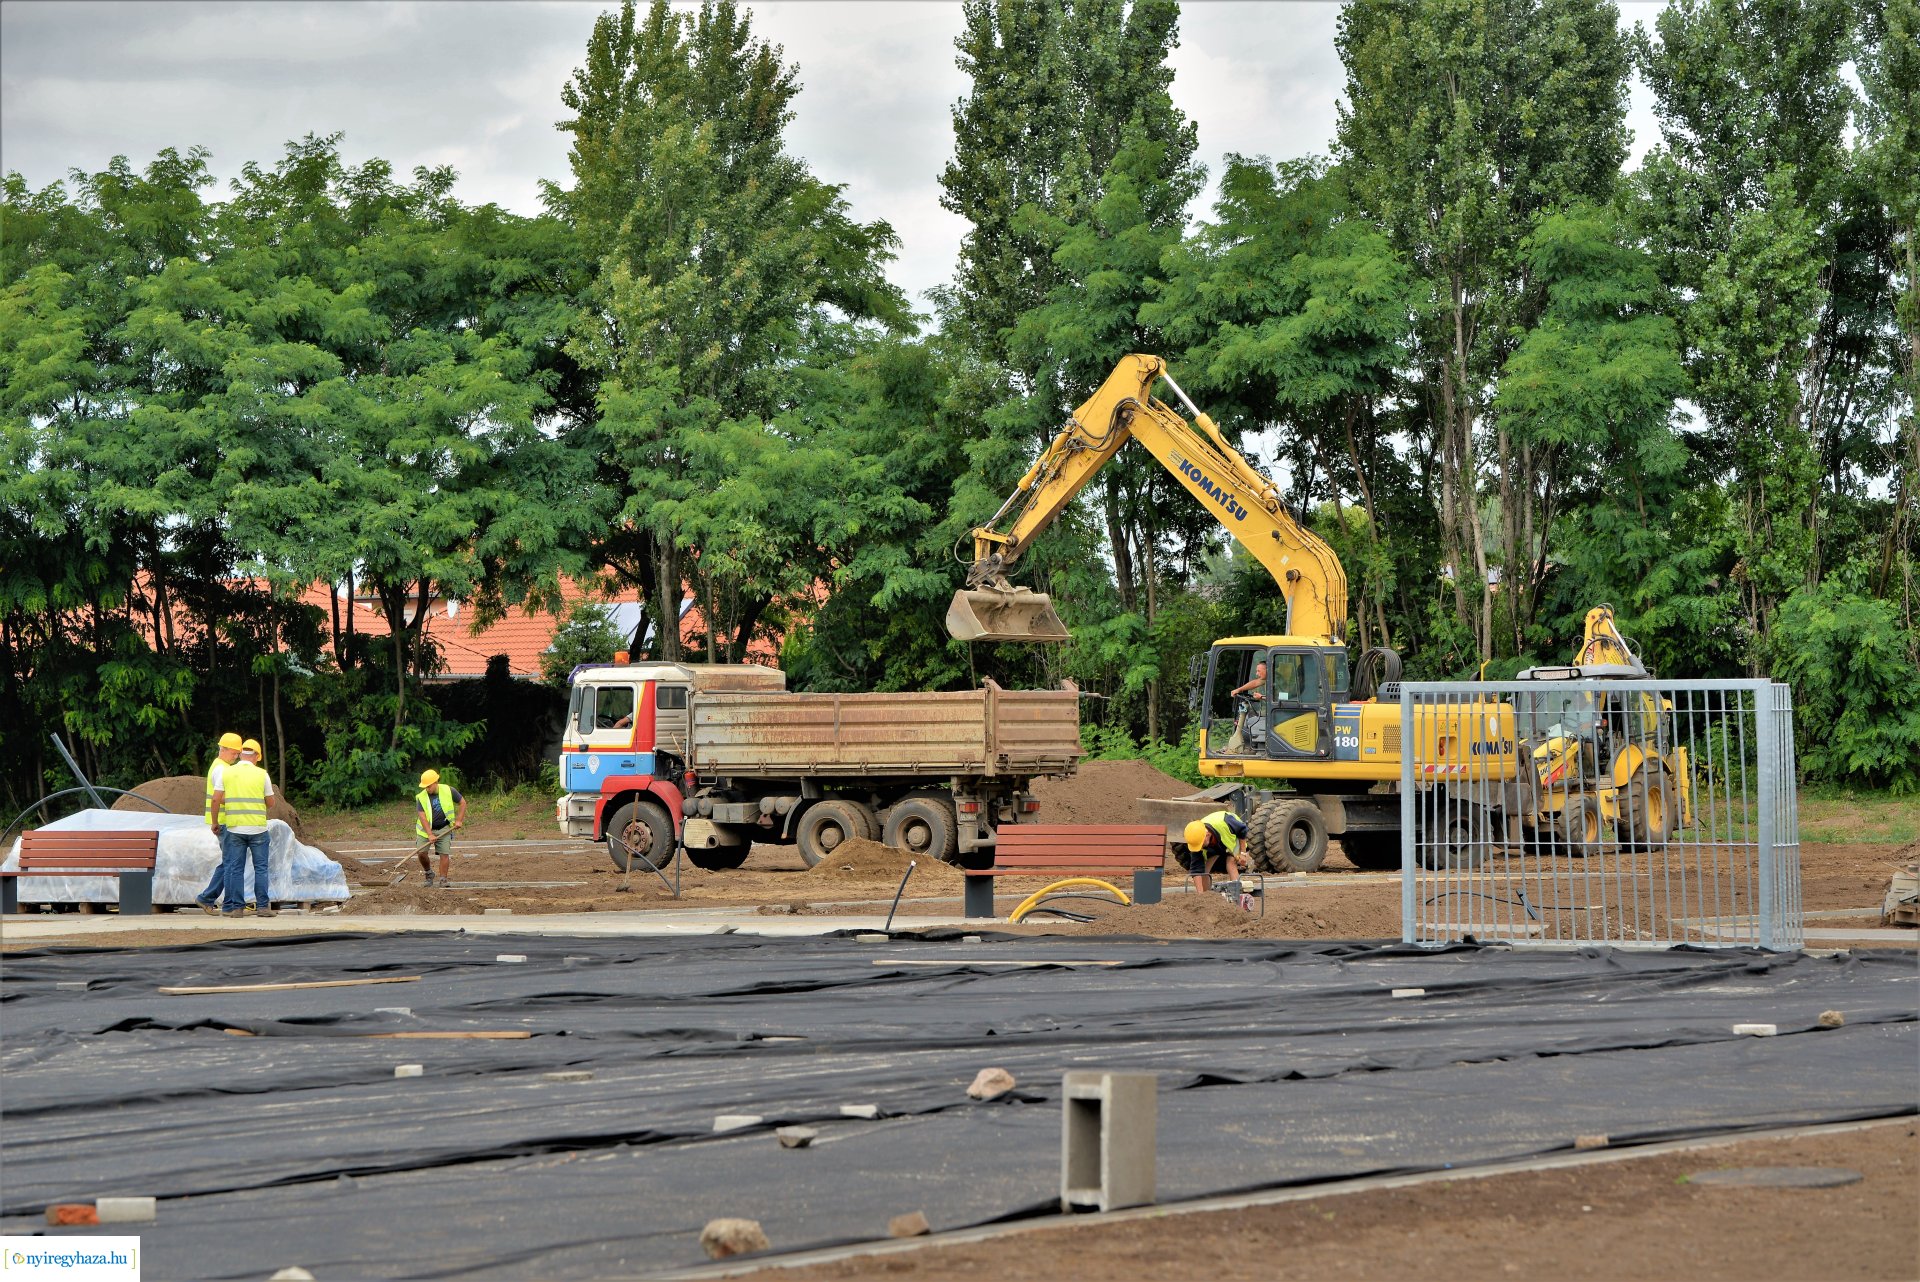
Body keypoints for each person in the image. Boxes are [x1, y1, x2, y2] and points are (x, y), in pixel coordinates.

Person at [215, 739, 277, 918]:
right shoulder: (262, 774)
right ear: (256, 756)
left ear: (241, 754)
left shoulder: (227, 772)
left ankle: (237, 909)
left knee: (235, 869)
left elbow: (216, 799)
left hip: (234, 829)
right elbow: (270, 802)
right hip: (257, 828)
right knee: (261, 868)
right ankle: (263, 907)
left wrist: (214, 821)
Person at [196, 732, 243, 915]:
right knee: (231, 863)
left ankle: (207, 897)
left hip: (223, 822)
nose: (236, 756)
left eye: (238, 753)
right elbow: (219, 798)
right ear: (223, 749)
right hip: (225, 822)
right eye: (234, 753)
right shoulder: (222, 769)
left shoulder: (220, 766)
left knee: (229, 863)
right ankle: (209, 898)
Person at [414, 770, 466, 888]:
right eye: (425, 787)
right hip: (425, 830)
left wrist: (459, 820)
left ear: (436, 782)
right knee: (421, 853)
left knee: (444, 853)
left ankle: (443, 879)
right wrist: (429, 834)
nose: (427, 789)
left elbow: (463, 803)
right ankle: (429, 873)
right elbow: (422, 817)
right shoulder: (421, 797)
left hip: (444, 827)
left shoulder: (448, 790)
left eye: (429, 786)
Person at [1183, 810, 1248, 895]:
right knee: (1205, 870)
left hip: (1233, 837)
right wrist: (1200, 895)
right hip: (1215, 844)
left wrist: (1243, 853)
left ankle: (1236, 895)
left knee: (1230, 862)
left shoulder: (1225, 822)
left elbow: (1242, 830)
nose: (1200, 847)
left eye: (1201, 844)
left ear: (1207, 835)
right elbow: (1196, 870)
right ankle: (1207, 896)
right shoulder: (1196, 839)